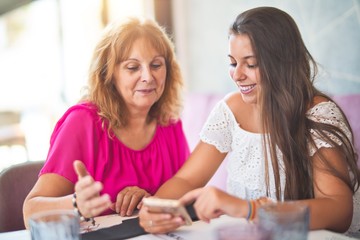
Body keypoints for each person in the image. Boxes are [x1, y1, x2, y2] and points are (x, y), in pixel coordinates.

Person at [138, 6, 360, 235]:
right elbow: (186, 179)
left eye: (251, 64)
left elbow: (339, 212)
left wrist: (248, 209)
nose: (237, 75)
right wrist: (155, 207)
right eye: (233, 63)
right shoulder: (231, 110)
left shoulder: (317, 114)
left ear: (282, 63)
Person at [23, 17, 190, 228]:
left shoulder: (170, 123)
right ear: (109, 74)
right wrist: (76, 204)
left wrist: (150, 200)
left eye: (156, 65)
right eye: (132, 67)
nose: (148, 77)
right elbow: (30, 212)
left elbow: (188, 195)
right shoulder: (81, 123)